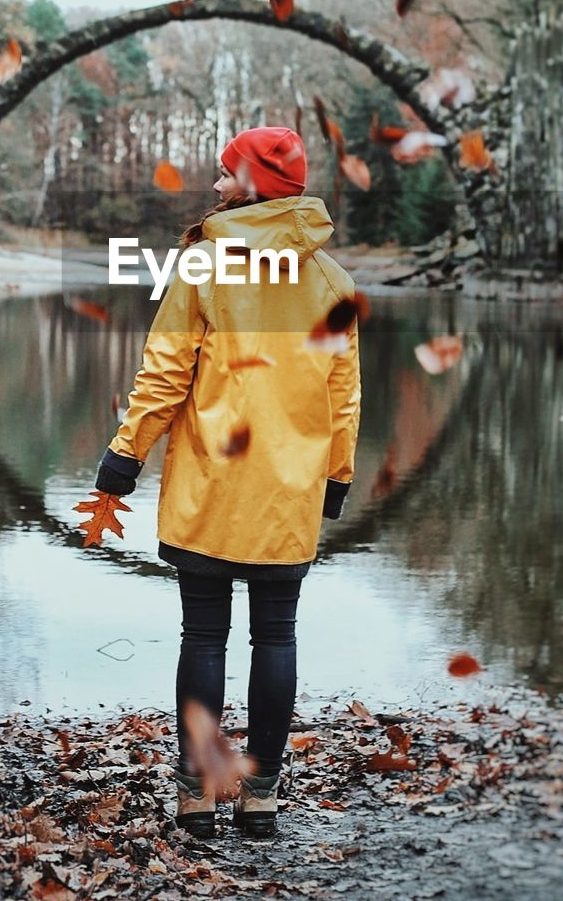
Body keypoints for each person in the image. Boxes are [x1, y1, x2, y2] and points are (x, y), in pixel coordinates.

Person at [93, 126, 362, 839]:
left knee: (203, 635)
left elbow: (164, 374)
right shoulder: (331, 282)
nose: (213, 188)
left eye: (225, 176)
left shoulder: (205, 267)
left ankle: (196, 795)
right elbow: (344, 396)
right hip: (289, 490)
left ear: (255, 186)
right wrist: (336, 477)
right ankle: (262, 795)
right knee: (276, 637)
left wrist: (125, 459)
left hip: (211, 487)